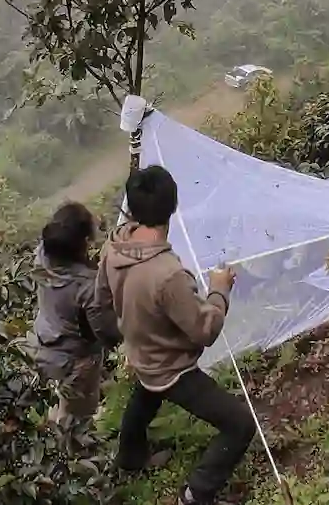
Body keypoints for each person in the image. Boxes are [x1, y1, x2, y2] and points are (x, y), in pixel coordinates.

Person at [99, 165, 255, 505]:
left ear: (131, 209)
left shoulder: (114, 247)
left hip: (140, 353)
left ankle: (129, 458)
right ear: (173, 206)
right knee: (240, 425)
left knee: (145, 396)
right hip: (172, 368)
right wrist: (219, 290)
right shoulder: (167, 274)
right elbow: (205, 330)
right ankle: (196, 493)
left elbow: (101, 300)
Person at [33, 202, 121, 426]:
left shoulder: (43, 254)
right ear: (83, 243)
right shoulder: (87, 286)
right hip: (76, 361)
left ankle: (58, 429)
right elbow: (108, 333)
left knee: (59, 405)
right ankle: (75, 454)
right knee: (76, 422)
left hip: (45, 342)